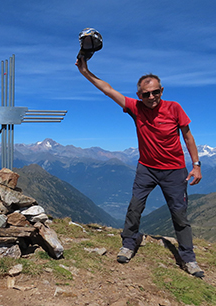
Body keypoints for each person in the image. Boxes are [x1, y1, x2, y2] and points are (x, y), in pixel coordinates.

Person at [76, 56, 204, 278]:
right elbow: (107, 89)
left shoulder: (174, 108)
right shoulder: (136, 108)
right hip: (146, 168)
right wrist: (85, 71)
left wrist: (196, 165)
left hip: (175, 170)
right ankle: (129, 242)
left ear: (162, 90)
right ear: (139, 95)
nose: (152, 97)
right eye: (146, 94)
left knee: (180, 215)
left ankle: (188, 258)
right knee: (135, 206)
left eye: (156, 92)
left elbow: (188, 137)